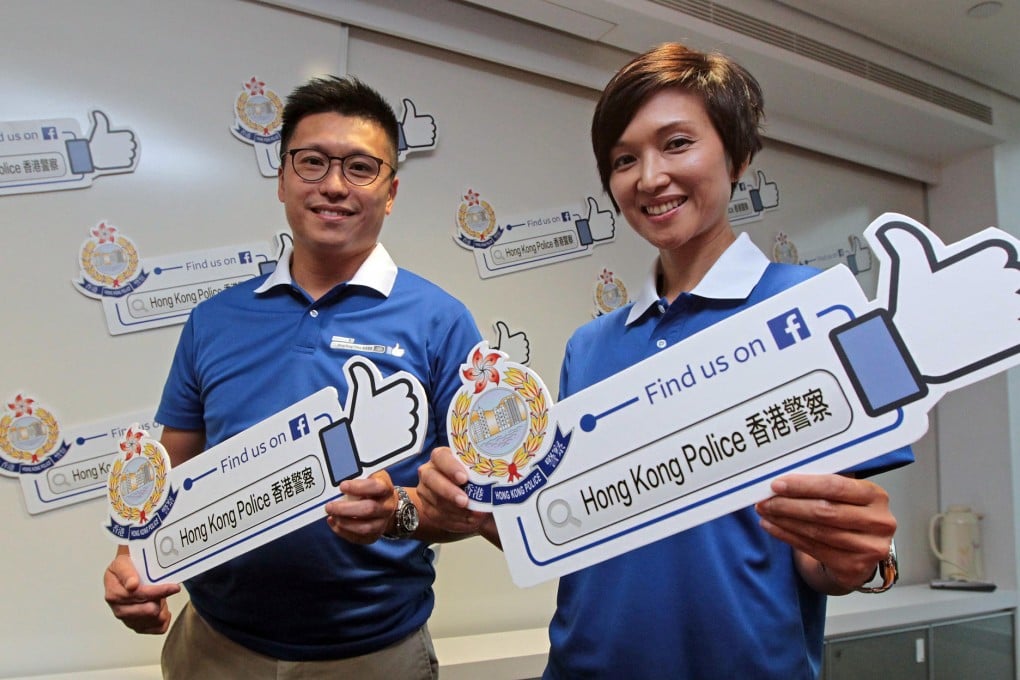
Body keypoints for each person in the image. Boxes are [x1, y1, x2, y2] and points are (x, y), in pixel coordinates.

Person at [417, 43, 913, 678]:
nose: (649, 178)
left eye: (677, 143)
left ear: (738, 155)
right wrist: (491, 515)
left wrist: (861, 560)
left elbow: (831, 549)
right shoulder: (589, 347)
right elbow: (582, 529)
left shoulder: (829, 310)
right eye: (624, 159)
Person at [103, 75, 481, 679]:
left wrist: (400, 511)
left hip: (374, 654)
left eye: (361, 167)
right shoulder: (214, 320)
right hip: (214, 648)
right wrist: (131, 558)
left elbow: (483, 503)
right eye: (312, 163)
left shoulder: (441, 322)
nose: (333, 184)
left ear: (391, 192)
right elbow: (169, 468)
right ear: (282, 178)